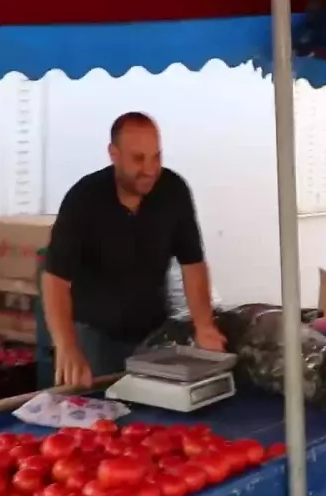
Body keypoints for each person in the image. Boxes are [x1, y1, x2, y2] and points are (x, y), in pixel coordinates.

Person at [42, 112, 226, 387]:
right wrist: (67, 346)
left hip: (153, 335)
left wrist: (204, 324)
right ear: (113, 154)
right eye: (138, 159)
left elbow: (193, 264)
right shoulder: (83, 199)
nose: (150, 169)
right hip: (94, 336)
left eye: (156, 157)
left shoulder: (173, 191)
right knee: (101, 417)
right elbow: (55, 280)